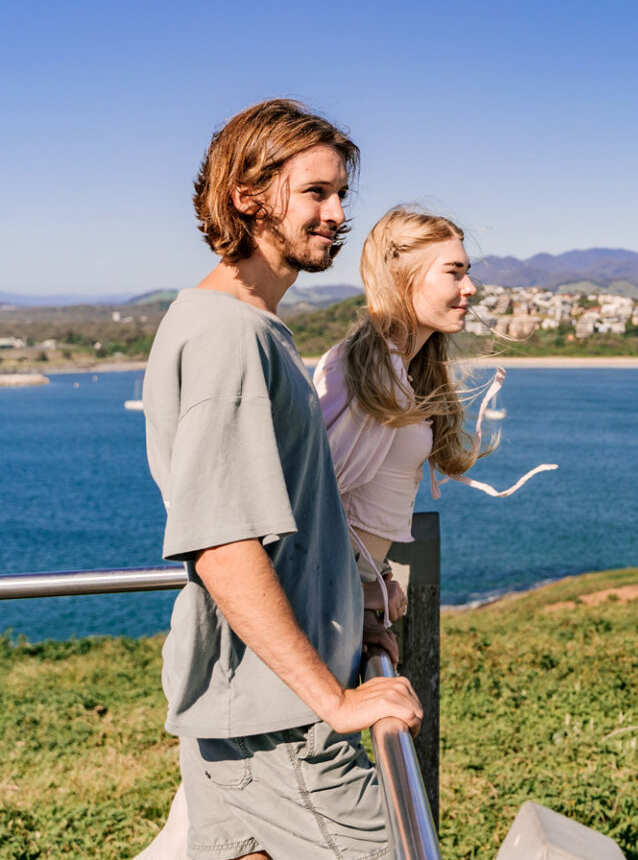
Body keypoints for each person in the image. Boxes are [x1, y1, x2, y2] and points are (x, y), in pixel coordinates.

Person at [140, 99, 421, 860]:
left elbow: (286, 526)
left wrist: (345, 612)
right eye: (316, 193)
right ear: (248, 196)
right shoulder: (228, 336)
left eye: (341, 195)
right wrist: (333, 699)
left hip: (256, 710)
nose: (338, 215)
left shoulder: (248, 327)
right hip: (282, 726)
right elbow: (222, 544)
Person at [314, 206, 556, 639]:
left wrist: (376, 579)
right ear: (402, 278)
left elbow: (358, 510)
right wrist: (358, 592)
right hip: (324, 609)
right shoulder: (361, 371)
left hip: (348, 597)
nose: (470, 287)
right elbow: (308, 502)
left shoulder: (398, 370)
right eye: (454, 272)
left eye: (468, 272)